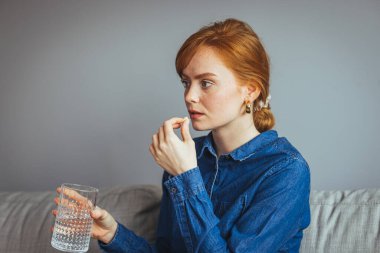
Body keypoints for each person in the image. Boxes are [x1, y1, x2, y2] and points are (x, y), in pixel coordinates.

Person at [53, 18, 311, 252]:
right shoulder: (189, 157)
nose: (189, 96)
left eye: (206, 83)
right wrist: (113, 234)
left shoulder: (285, 171)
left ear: (251, 90)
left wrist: (187, 177)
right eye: (186, 82)